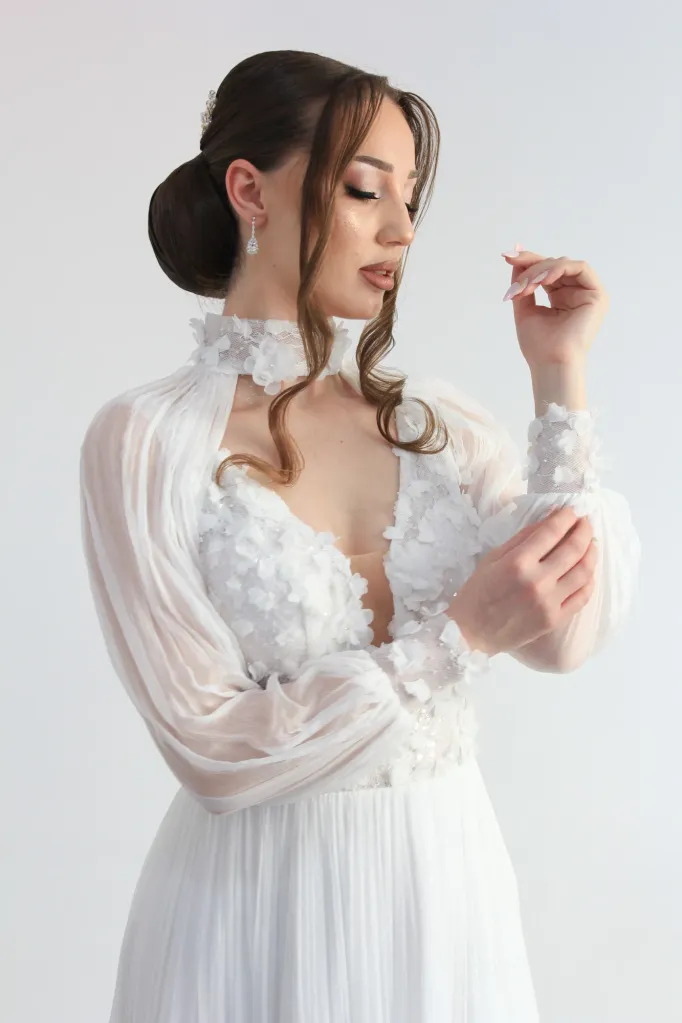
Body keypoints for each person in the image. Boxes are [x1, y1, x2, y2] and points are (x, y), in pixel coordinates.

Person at [79, 49, 641, 1023]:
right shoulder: (148, 442)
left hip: (443, 897)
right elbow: (210, 749)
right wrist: (455, 640)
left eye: (409, 198)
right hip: (252, 911)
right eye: (363, 189)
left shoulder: (441, 427)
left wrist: (559, 376)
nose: (401, 229)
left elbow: (562, 637)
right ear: (249, 191)